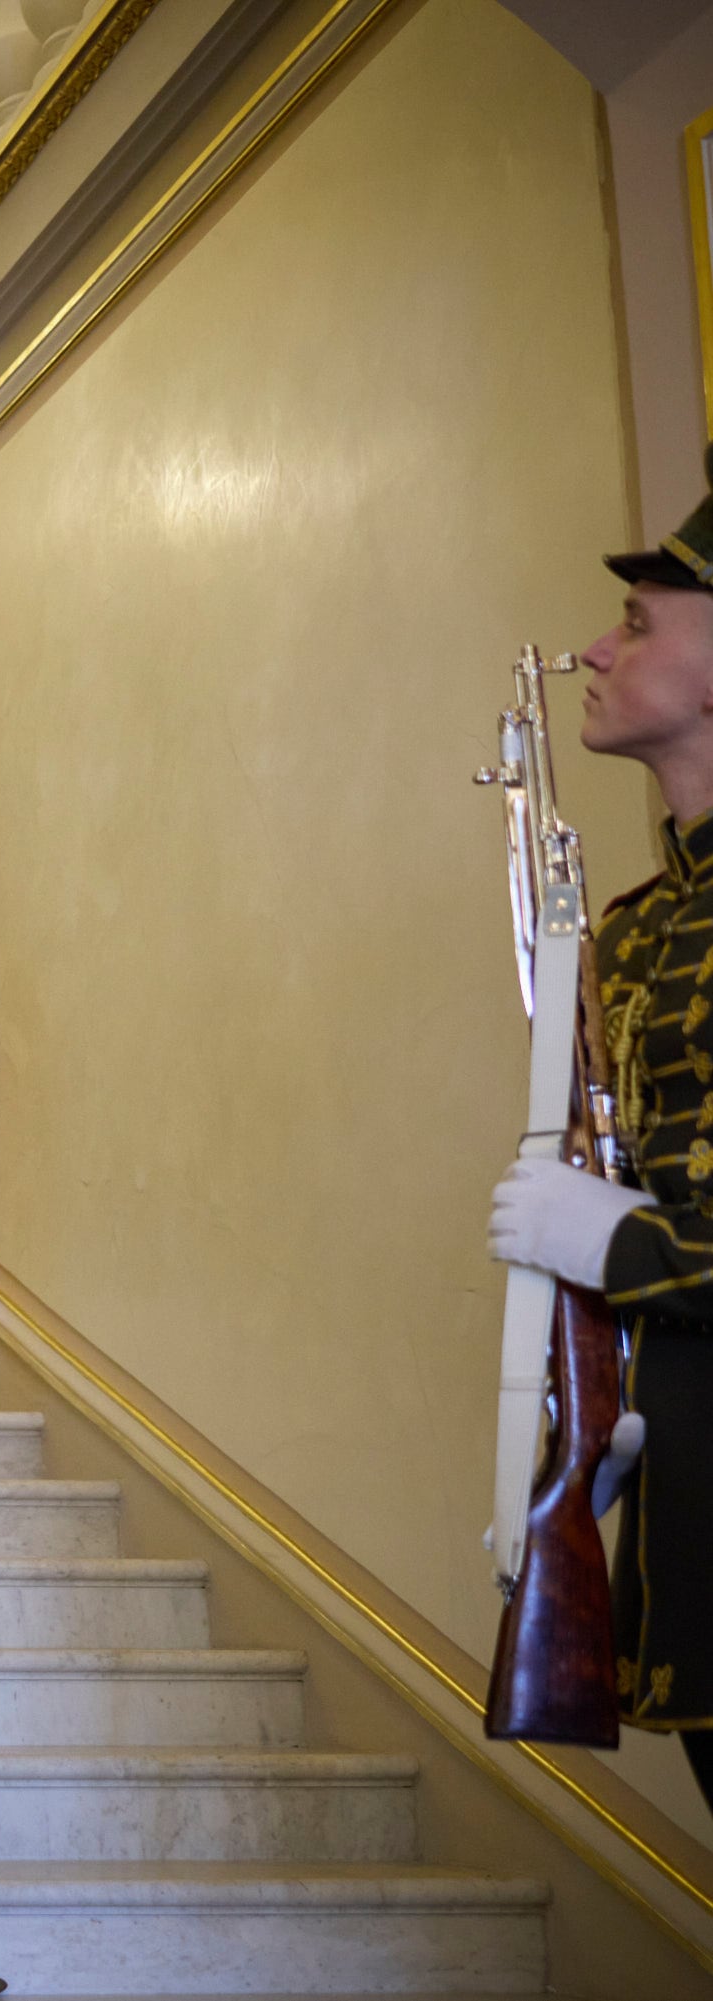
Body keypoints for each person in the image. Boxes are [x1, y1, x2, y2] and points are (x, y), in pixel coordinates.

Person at [487, 447, 713, 1802]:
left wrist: (624, 1248)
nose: (592, 647)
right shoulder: (634, 935)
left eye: (638, 623)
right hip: (691, 1496)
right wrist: (596, 1416)